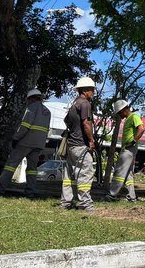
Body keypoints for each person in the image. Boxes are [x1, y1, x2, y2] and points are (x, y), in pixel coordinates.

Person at [0, 88, 52, 196]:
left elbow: (25, 126)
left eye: (28, 99)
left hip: (26, 141)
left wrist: (16, 138)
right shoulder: (47, 111)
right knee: (32, 169)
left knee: (11, 165)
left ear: (31, 98)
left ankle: (0, 188)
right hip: (39, 143)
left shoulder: (31, 108)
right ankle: (30, 191)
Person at [60, 76, 97, 211]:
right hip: (81, 145)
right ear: (85, 90)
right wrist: (91, 140)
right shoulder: (85, 104)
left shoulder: (74, 104)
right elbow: (86, 123)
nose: (93, 93)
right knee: (85, 173)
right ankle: (85, 203)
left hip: (71, 145)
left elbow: (67, 121)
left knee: (68, 175)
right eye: (92, 90)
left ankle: (65, 203)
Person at [105, 99, 144, 202]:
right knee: (127, 174)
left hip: (129, 148)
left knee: (119, 171)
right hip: (128, 148)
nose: (119, 115)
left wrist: (133, 141)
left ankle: (112, 194)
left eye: (119, 112)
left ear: (124, 109)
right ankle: (132, 197)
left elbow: (141, 129)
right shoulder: (128, 119)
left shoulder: (134, 117)